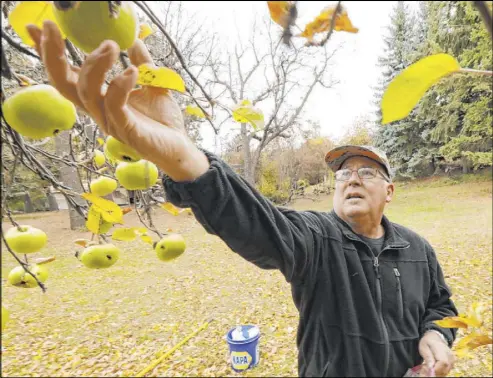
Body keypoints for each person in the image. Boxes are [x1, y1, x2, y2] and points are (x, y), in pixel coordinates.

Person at [27, 21, 458, 377]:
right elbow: (256, 224)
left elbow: (440, 304)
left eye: (367, 172)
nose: (352, 180)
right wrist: (185, 158)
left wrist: (435, 335)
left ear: (390, 190)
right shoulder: (316, 239)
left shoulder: (417, 248)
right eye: (343, 173)